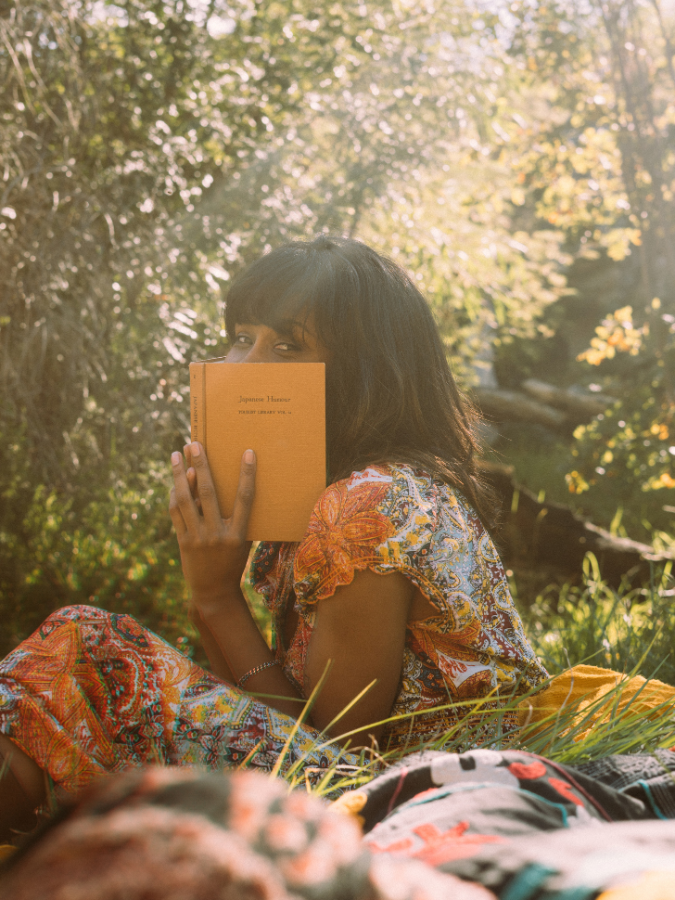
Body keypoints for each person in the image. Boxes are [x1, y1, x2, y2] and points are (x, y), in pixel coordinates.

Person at [0, 236, 547, 842]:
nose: (243, 367)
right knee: (82, 658)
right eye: (241, 337)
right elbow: (262, 713)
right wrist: (210, 595)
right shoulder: (325, 490)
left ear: (365, 374)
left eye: (288, 346)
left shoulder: (370, 504)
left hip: (408, 807)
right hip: (371, 783)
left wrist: (216, 598)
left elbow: (335, 757)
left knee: (89, 646)